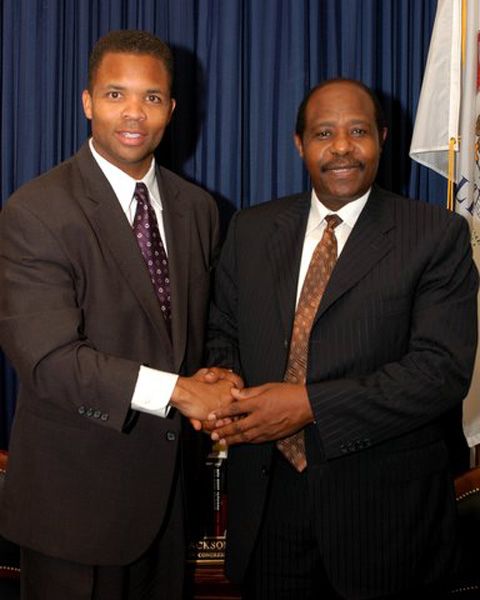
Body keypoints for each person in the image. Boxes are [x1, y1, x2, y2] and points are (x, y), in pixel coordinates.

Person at [205, 79, 479, 599]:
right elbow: (222, 332)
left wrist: (310, 405)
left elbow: (439, 373)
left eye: (357, 131)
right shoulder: (250, 230)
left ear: (381, 137)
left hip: (383, 519)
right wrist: (224, 381)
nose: (341, 148)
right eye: (323, 133)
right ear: (299, 143)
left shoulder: (434, 235)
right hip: (267, 508)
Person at [0, 30, 239, 599]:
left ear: (172, 109)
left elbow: (198, 332)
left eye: (152, 97)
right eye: (115, 95)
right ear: (87, 103)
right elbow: (50, 362)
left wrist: (216, 377)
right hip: (73, 511)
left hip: (168, 508)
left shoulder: (199, 210)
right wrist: (181, 392)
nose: (134, 113)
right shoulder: (36, 211)